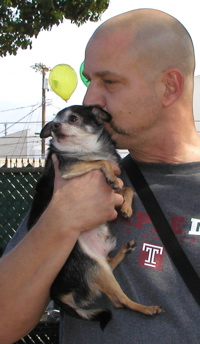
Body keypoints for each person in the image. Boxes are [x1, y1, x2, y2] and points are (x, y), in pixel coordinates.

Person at [1, 7, 200, 343]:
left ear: (169, 87)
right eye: (88, 80)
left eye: (109, 81)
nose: (90, 98)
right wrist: (61, 220)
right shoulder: (73, 180)